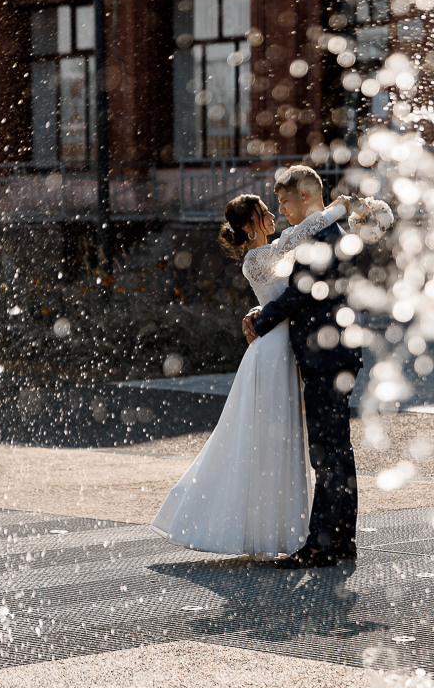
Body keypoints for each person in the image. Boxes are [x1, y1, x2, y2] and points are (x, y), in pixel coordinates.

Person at [151, 185, 356, 559]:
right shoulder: (257, 256)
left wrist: (255, 313)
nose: (272, 212)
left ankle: (278, 530)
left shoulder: (278, 246)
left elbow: (282, 289)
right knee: (260, 437)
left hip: (284, 349)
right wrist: (339, 208)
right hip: (270, 353)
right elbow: (302, 241)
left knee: (281, 439)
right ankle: (254, 527)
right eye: (264, 210)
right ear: (249, 227)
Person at [243, 165, 365, 569]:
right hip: (334, 356)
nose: (281, 209)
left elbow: (299, 295)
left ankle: (321, 544)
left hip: (327, 357)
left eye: (285, 200)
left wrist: (260, 322)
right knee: (337, 450)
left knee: (326, 454)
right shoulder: (329, 234)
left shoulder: (324, 237)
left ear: (306, 197)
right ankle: (341, 539)